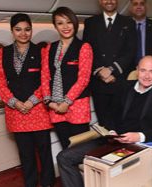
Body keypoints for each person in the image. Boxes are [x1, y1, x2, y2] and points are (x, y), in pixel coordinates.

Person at [57, 56, 152, 187]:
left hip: (136, 146)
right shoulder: (123, 87)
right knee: (64, 157)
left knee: (106, 169)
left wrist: (138, 136)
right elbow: (109, 114)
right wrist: (111, 131)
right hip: (112, 140)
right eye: (143, 70)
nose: (147, 76)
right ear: (137, 71)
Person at [0, 13, 55, 187]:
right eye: (18, 29)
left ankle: (48, 183)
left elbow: (46, 80)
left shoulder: (41, 51)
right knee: (25, 152)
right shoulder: (2, 53)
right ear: (12, 31)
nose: (23, 33)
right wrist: (15, 102)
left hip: (37, 111)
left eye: (27, 29)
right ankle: (30, 183)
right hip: (16, 111)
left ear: (31, 30)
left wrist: (31, 101)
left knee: (44, 150)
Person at [41, 7, 93, 149]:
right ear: (55, 26)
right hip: (55, 107)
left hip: (77, 106)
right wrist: (48, 101)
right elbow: (45, 76)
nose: (65, 27)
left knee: (81, 149)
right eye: (60, 23)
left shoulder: (83, 47)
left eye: (69, 22)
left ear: (75, 23)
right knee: (66, 148)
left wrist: (66, 102)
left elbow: (83, 79)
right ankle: (69, 172)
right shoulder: (49, 48)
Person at [83, 0, 137, 128]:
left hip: (120, 81)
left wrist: (112, 70)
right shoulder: (91, 23)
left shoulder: (128, 22)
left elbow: (131, 51)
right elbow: (87, 51)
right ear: (100, 2)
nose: (109, 1)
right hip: (99, 83)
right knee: (103, 125)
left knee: (121, 124)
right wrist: (100, 71)